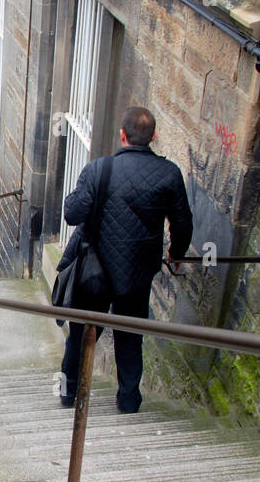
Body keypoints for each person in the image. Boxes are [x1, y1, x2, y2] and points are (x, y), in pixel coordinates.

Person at [57, 106, 193, 413]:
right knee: (131, 337)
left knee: (81, 334)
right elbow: (183, 222)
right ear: (153, 136)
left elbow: (72, 214)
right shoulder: (170, 174)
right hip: (137, 272)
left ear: (122, 135)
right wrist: (176, 254)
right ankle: (129, 400)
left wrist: (76, 195)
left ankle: (69, 394)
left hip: (95, 272)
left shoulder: (99, 169)